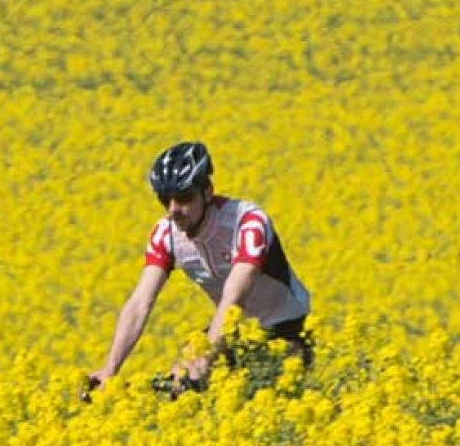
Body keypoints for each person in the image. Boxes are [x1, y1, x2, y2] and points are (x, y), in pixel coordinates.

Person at [86, 141, 312, 397]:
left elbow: (234, 297)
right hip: (237, 328)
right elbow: (140, 302)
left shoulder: (247, 222)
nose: (173, 210)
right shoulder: (166, 235)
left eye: (183, 197)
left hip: (286, 325)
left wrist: (208, 354)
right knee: (178, 385)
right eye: (165, 199)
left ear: (207, 191)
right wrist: (110, 369)